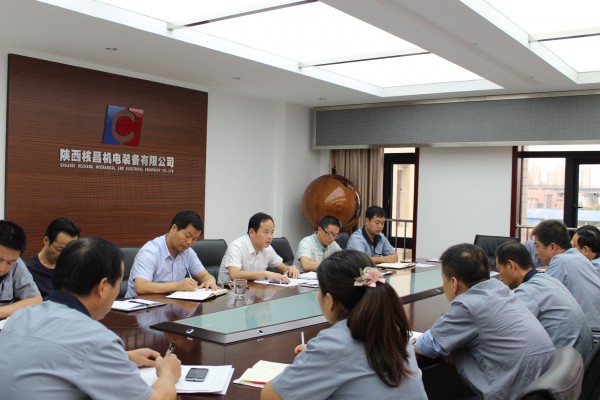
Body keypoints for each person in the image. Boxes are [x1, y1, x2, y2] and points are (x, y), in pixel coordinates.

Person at [0, 237, 181, 399]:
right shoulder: (96, 340)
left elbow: (49, 358)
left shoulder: (20, 317)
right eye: (118, 284)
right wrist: (168, 373)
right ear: (103, 286)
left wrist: (121, 359)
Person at [261, 250, 428, 400]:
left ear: (329, 301)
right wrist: (316, 357)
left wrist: (310, 361)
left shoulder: (332, 345)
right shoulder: (394, 330)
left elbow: (271, 396)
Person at [415, 243, 555, 400]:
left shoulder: (467, 306)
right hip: (540, 388)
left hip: (515, 394)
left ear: (454, 283)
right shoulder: (500, 289)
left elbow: (426, 346)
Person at [496, 241, 593, 361]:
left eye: (499, 270)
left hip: (564, 363)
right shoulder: (547, 279)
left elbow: (505, 329)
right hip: (578, 359)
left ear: (511, 265)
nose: (499, 278)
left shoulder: (528, 291)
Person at [125, 210, 217, 298]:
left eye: (194, 239)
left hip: (170, 304)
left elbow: (204, 276)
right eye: (187, 236)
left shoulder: (187, 252)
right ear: (174, 228)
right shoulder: (150, 251)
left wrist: (210, 280)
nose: (189, 242)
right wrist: (177, 286)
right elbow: (141, 286)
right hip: (140, 306)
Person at [531, 219, 600, 330]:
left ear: (552, 247)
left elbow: (537, 297)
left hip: (590, 332)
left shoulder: (560, 261)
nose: (536, 251)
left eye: (537, 246)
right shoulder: (578, 257)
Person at [217, 212, 299, 284]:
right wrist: (265, 273)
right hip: (231, 291)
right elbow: (234, 274)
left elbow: (282, 267)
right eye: (266, 232)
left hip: (254, 290)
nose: (270, 237)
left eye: (272, 232)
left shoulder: (267, 248)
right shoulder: (237, 246)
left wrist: (289, 269)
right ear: (252, 232)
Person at [25, 217, 80, 297]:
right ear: (46, 241)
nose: (66, 254)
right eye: (61, 250)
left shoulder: (74, 269)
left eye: (71, 250)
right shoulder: (26, 269)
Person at [0, 220, 42, 319]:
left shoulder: (17, 263)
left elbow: (36, 300)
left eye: (9, 263)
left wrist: (1, 312)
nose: (2, 268)